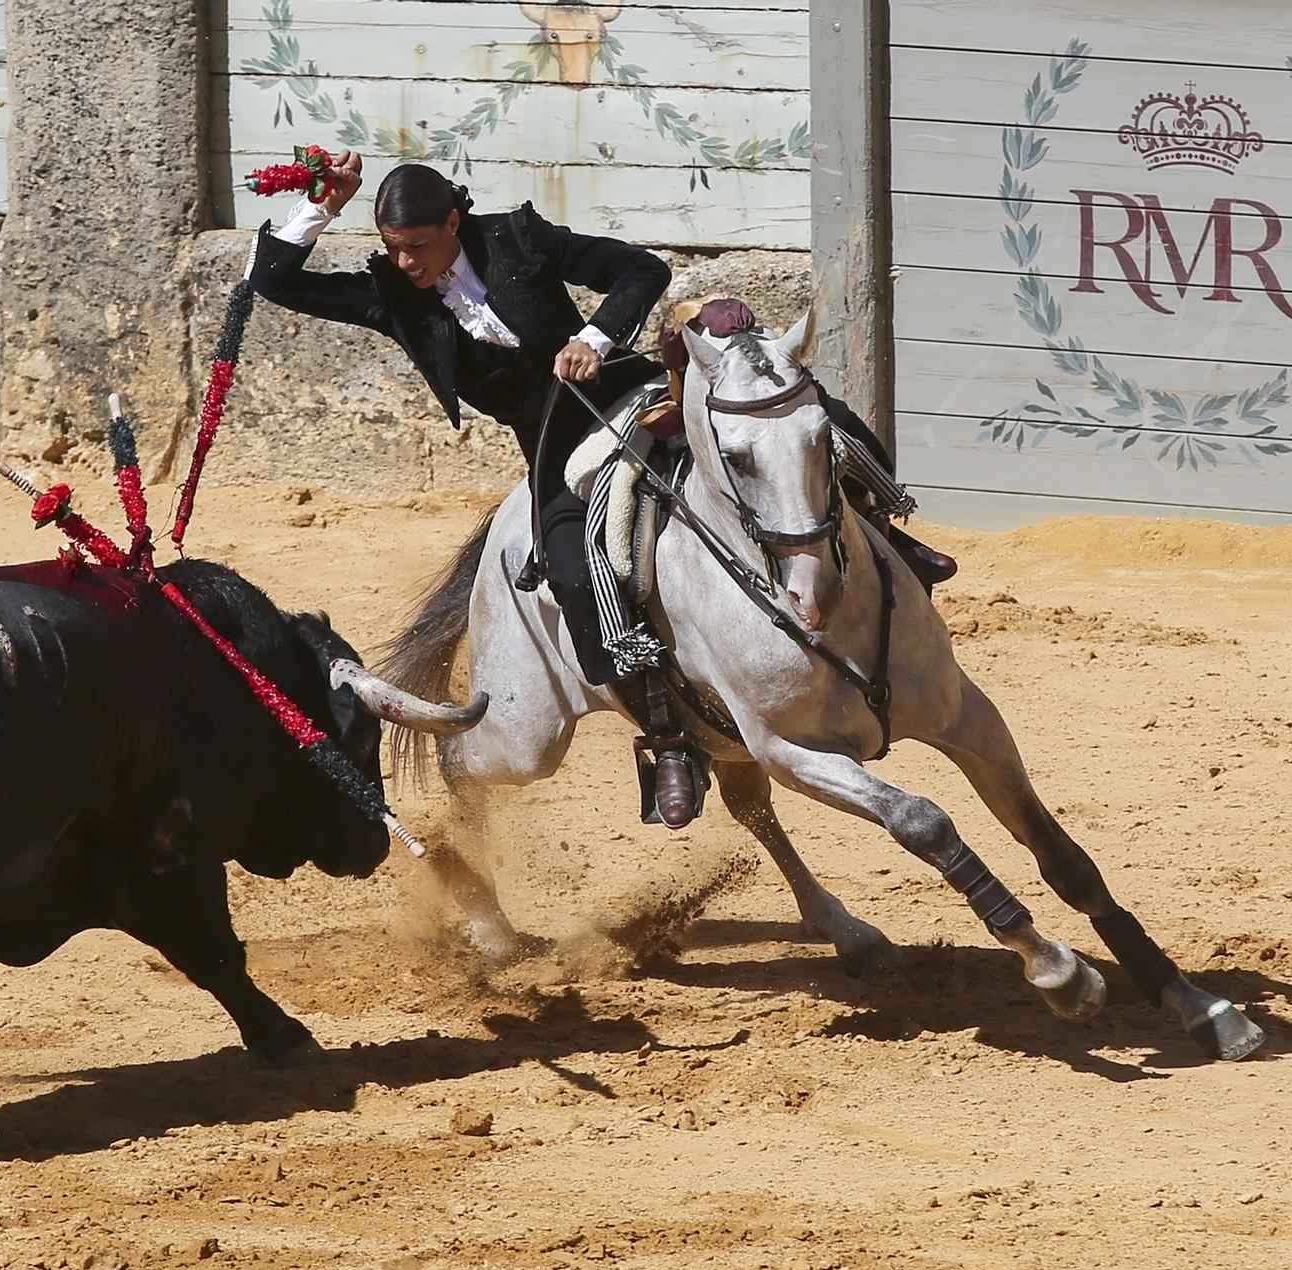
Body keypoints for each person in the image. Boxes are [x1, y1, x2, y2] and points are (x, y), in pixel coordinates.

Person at [247, 153, 953, 818]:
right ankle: (669, 738)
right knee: (578, 581)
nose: (408, 263)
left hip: (637, 394)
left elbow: (640, 271)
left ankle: (894, 538)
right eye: (395, 247)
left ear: (453, 225)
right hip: (558, 449)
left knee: (826, 421)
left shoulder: (518, 240)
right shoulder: (393, 294)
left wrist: (595, 337)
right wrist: (319, 207)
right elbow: (273, 281)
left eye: (420, 246)